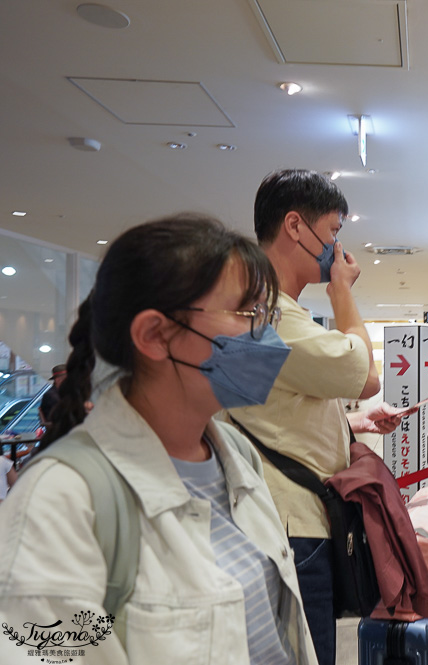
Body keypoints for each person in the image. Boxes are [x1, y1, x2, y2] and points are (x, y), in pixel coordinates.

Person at [0, 214, 317, 664]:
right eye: (248, 313)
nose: (266, 336)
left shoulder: (235, 454)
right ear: (154, 335)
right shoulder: (62, 499)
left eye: (267, 315)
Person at [229, 169, 401, 664]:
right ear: (295, 227)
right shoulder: (269, 313)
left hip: (276, 521)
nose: (337, 248)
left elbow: (275, 408)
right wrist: (342, 293)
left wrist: (353, 424)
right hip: (291, 527)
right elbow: (365, 373)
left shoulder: (256, 307)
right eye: (332, 231)